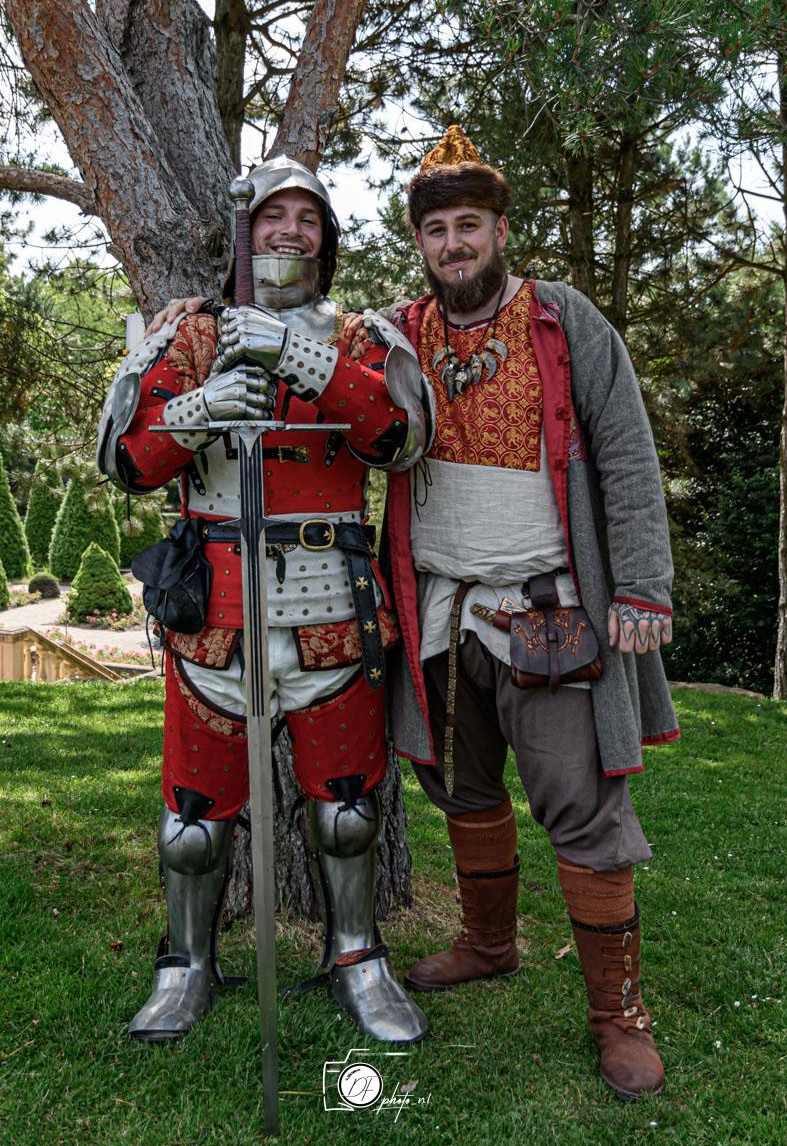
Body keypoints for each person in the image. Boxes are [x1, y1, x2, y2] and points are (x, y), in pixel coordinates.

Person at [96, 155, 432, 1046]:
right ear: (243, 235)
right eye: (272, 216)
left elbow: (399, 436)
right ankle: (187, 964)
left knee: (348, 808)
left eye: (306, 217)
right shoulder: (191, 337)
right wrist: (199, 407)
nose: (289, 230)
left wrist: (301, 356)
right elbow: (129, 460)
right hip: (213, 611)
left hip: (331, 606)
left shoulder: (360, 337)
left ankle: (358, 957)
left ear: (326, 238)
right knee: (193, 824)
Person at [380, 126, 679, 1100]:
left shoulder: (562, 319)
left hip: (547, 609)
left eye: (468, 225)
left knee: (581, 806)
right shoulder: (396, 333)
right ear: (420, 243)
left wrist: (641, 585)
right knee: (460, 788)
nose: (453, 244)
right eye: (436, 231)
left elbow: (625, 451)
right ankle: (488, 943)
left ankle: (618, 1016)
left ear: (500, 230)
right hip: (441, 612)